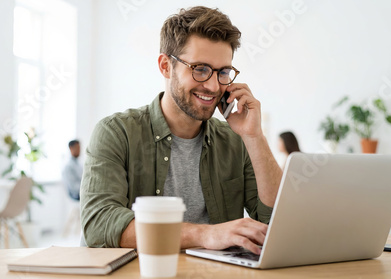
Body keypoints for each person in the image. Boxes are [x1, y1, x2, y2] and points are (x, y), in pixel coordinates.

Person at [81, 6, 282, 255]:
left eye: (223, 72)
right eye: (200, 69)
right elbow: (99, 224)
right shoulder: (116, 133)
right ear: (166, 66)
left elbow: (275, 222)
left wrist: (254, 137)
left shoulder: (235, 140)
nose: (212, 85)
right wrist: (205, 234)